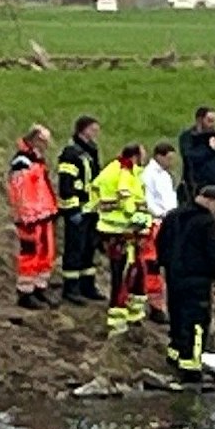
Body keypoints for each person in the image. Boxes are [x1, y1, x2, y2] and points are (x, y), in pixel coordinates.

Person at [158, 185, 215, 385]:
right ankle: (191, 367)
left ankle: (175, 355)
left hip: (174, 276)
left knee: (177, 316)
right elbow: (213, 251)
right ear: (211, 201)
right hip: (198, 278)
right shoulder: (207, 222)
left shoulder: (173, 216)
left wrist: (164, 264)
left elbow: (161, 242)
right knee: (196, 323)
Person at [91, 143, 151, 336]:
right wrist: (136, 215)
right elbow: (126, 198)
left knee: (133, 272)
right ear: (135, 156)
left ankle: (131, 315)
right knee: (125, 275)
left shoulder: (118, 169)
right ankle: (118, 321)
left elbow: (96, 190)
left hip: (120, 230)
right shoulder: (124, 172)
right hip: (122, 231)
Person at [5, 125, 60, 309]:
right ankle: (26, 292)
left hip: (42, 213)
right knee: (30, 254)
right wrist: (26, 214)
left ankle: (39, 287)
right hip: (30, 216)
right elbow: (20, 191)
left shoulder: (35, 159)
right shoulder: (22, 161)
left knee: (45, 253)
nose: (46, 146)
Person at [55, 117, 105, 305]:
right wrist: (72, 209)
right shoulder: (71, 153)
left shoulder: (90, 152)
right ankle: (71, 288)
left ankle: (87, 285)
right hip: (77, 211)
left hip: (90, 210)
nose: (95, 133)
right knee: (74, 249)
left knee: (88, 250)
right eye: (92, 129)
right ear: (82, 130)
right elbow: (66, 183)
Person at [140, 142, 178, 322]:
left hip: (167, 221)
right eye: (169, 158)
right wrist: (162, 215)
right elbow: (149, 200)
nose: (171, 162)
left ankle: (161, 303)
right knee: (152, 264)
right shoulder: (149, 175)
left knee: (161, 264)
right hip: (156, 223)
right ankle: (154, 306)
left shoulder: (164, 175)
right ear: (159, 156)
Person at [177, 106, 215, 198]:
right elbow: (189, 156)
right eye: (209, 121)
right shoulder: (188, 137)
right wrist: (210, 149)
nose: (212, 125)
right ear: (200, 120)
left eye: (214, 121)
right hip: (194, 184)